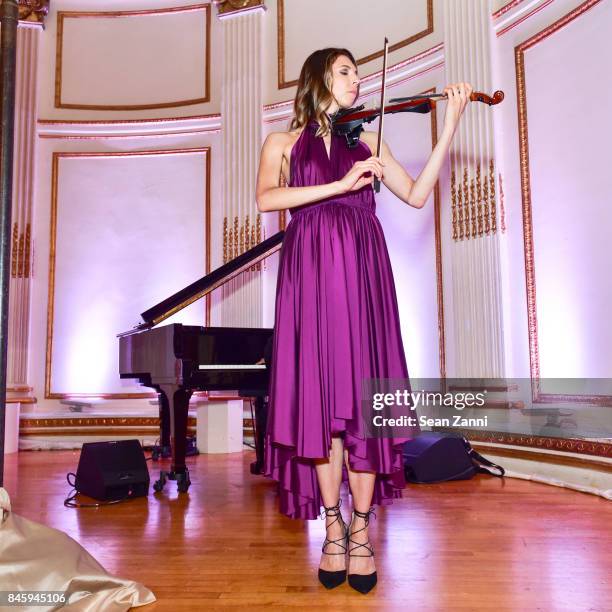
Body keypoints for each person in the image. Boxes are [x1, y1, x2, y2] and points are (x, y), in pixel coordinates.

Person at [255, 47, 472, 594]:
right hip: (308, 282)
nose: (357, 80)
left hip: (362, 278)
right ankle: (331, 529)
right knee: (321, 410)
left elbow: (418, 197)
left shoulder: (369, 141)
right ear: (318, 77)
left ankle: (360, 531)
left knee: (363, 413)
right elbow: (266, 199)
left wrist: (449, 127)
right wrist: (341, 184)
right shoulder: (282, 143)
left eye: (358, 72)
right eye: (346, 71)